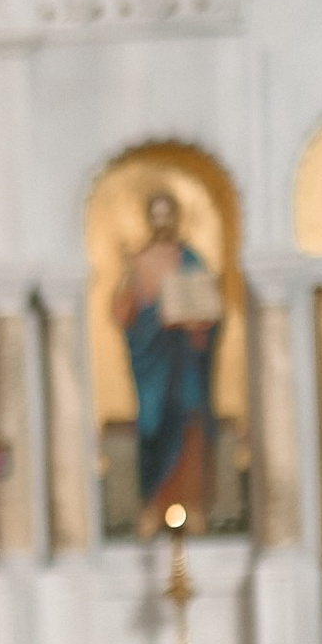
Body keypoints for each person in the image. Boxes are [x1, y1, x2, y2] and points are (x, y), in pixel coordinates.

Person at [111, 188, 224, 529]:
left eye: (167, 214)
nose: (162, 222)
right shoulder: (138, 260)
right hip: (152, 361)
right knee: (153, 425)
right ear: (150, 218)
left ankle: (193, 504)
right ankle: (152, 505)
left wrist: (199, 322)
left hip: (185, 357)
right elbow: (123, 313)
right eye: (155, 214)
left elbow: (211, 309)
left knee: (190, 419)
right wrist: (150, 312)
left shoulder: (190, 258)